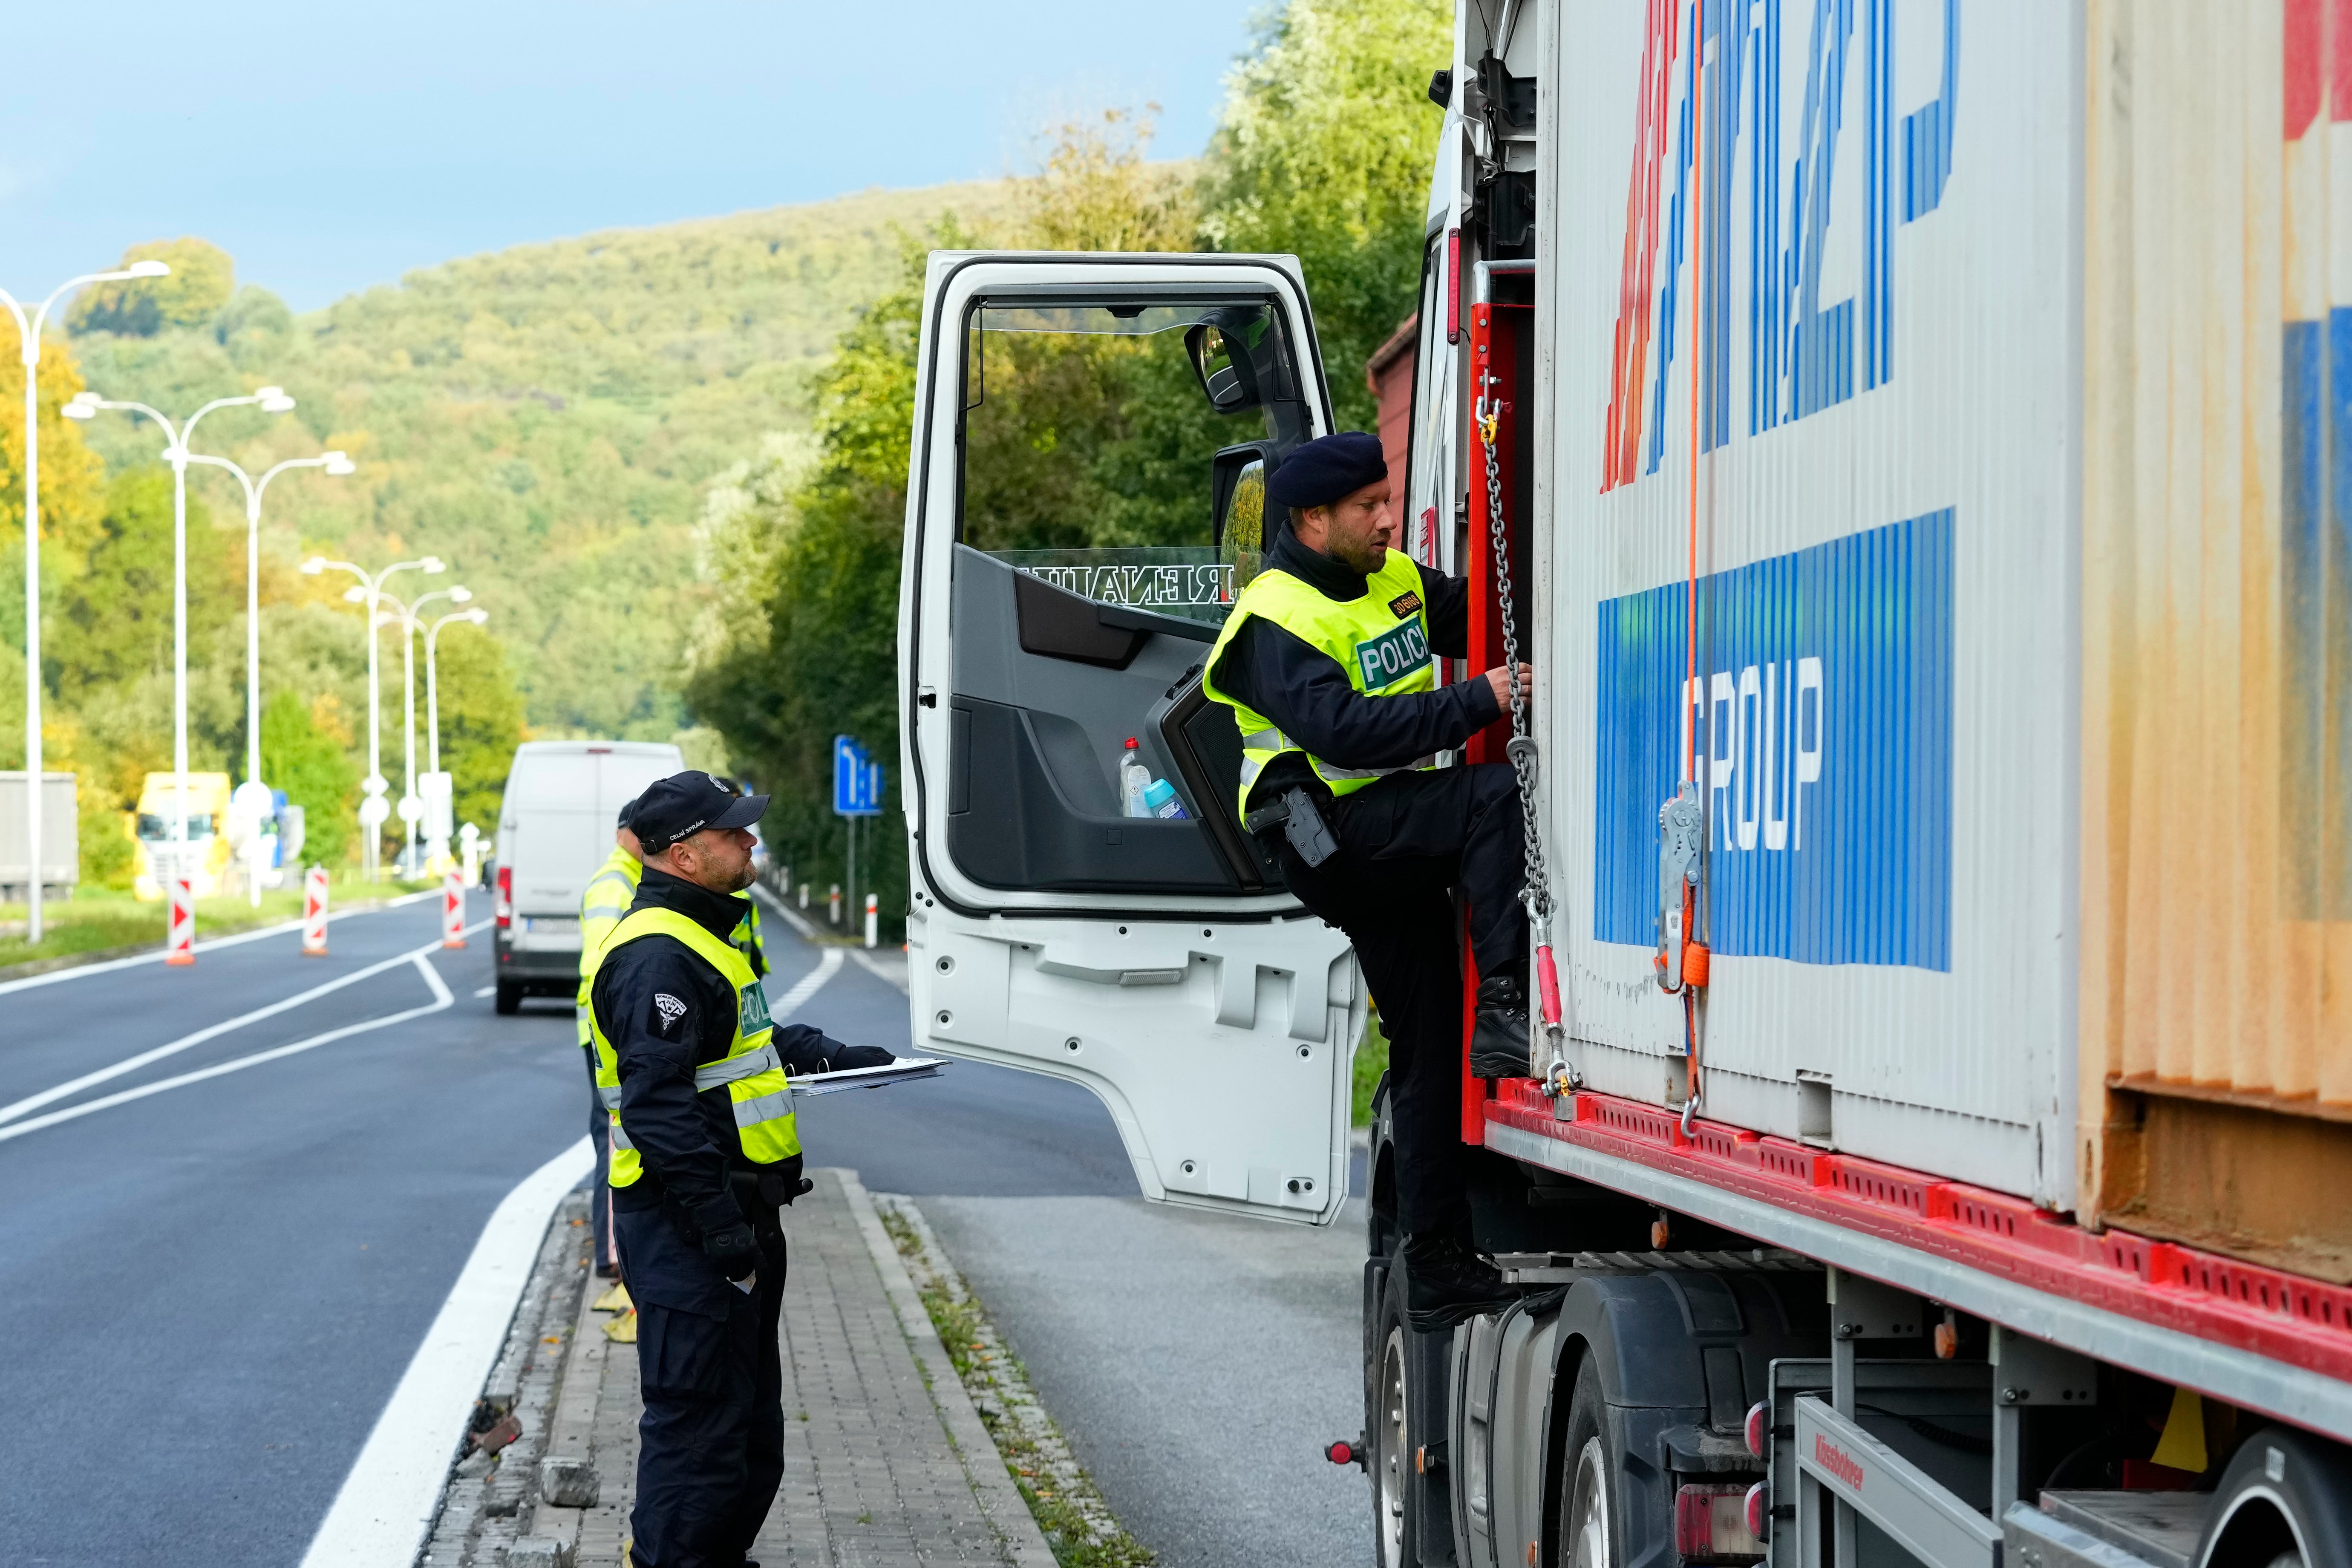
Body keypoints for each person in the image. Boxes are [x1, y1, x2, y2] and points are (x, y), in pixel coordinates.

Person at [1200, 430, 1531, 1317]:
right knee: (1491, 798)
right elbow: (1343, 730)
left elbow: (1488, 616)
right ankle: (1506, 1005)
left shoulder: (1391, 577)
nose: (1390, 521)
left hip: (1388, 829)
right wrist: (1480, 699)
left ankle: (1436, 1264)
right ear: (1313, 522)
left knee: (1427, 1052)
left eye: (1386, 502)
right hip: (1326, 839)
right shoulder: (1272, 619)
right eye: (1369, 509)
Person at [588, 770, 895, 1568]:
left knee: (746, 1437)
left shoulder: (702, 935)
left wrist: (827, 1054)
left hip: (736, 1223)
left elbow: (741, 1045)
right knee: (699, 1438)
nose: (750, 841)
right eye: (733, 833)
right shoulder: (656, 955)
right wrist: (720, 1229)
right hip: (693, 1230)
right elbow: (657, 1108)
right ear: (687, 857)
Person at [577, 802, 645, 1278]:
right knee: (614, 1133)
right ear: (627, 833)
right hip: (608, 1031)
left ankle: (617, 1249)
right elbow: (602, 964)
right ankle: (611, 1254)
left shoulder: (629, 876)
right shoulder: (615, 882)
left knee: (620, 1130)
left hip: (609, 1029)